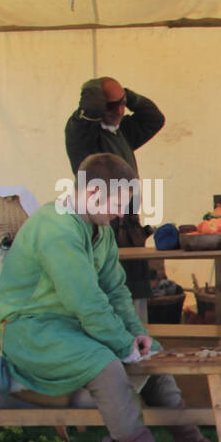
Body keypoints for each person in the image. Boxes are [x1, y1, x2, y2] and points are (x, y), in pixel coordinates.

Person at [0, 153, 217, 442]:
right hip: (24, 330)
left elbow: (114, 288)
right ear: (92, 194)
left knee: (151, 354)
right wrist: (121, 344)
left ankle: (189, 440)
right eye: (117, 205)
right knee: (104, 365)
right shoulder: (56, 228)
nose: (121, 214)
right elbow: (86, 300)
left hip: (66, 326)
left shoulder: (99, 227)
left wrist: (136, 333)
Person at [65, 76, 166, 321]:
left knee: (133, 298)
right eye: (112, 106)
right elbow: (89, 112)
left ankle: (137, 348)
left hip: (129, 228)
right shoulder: (83, 133)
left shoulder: (122, 132)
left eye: (122, 104)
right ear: (98, 105)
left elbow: (155, 119)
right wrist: (96, 94)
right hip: (101, 228)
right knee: (108, 294)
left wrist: (126, 96)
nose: (120, 111)